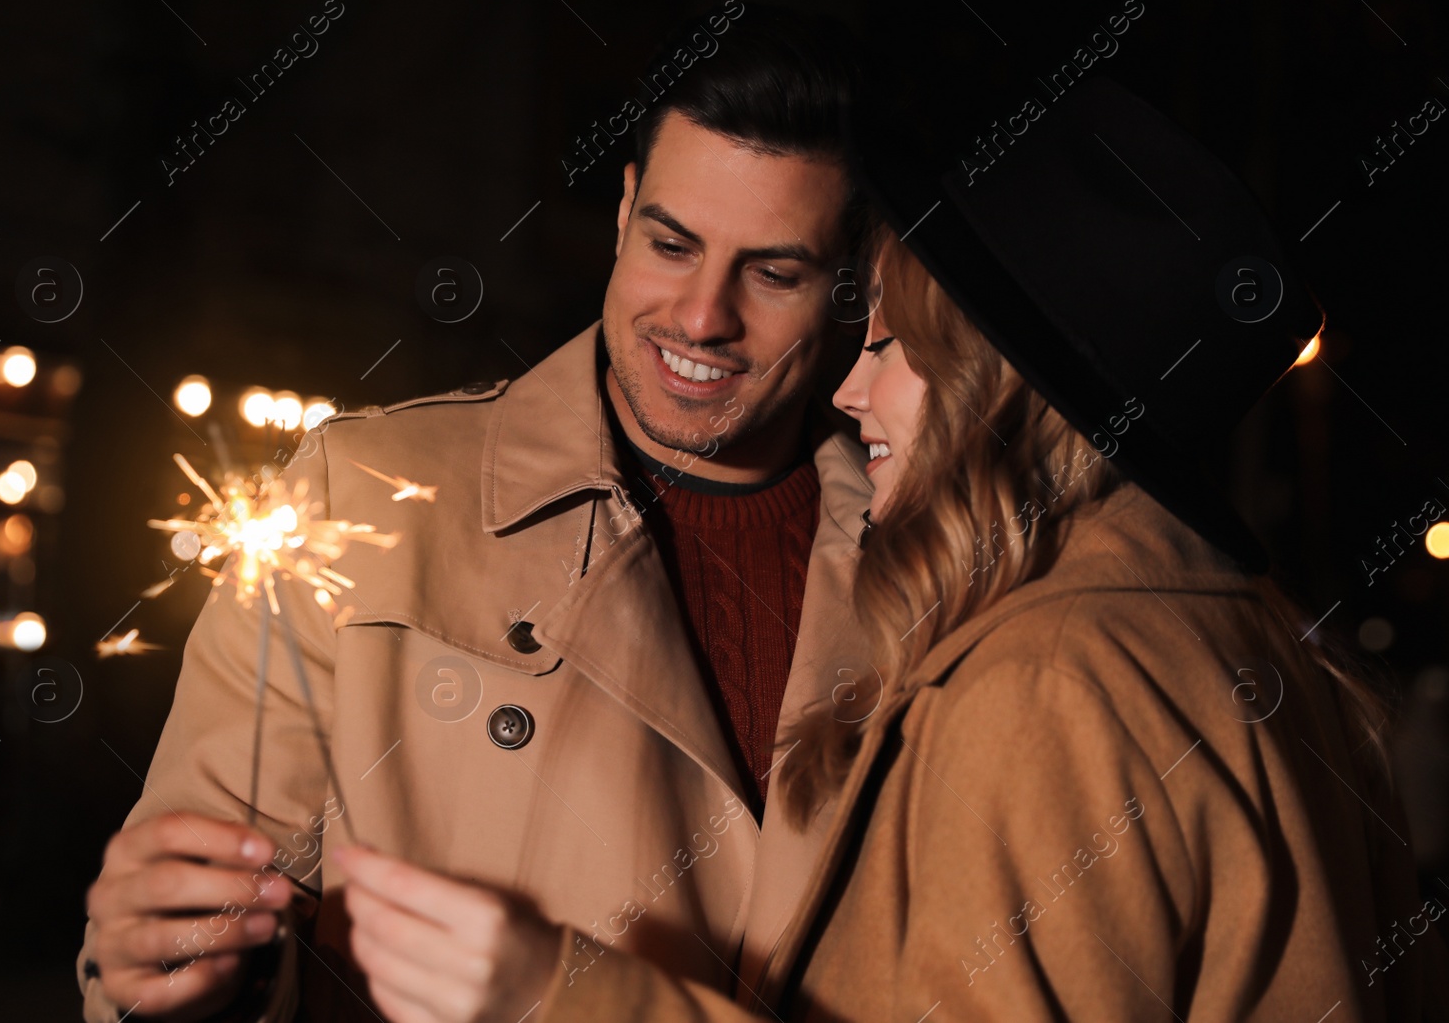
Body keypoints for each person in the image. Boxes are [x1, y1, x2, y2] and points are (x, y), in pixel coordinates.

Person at [324, 76, 1448, 1020]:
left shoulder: (1049, 682)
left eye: (899, 346)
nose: (851, 388)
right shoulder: (1254, 652)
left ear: (996, 397)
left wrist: (554, 992)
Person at [77, 4, 883, 1023]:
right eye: (670, 243)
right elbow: (206, 919)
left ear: (852, 286)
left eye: (773, 273)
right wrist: (174, 969)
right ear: (625, 205)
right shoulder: (362, 495)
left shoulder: (931, 559)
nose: (700, 316)